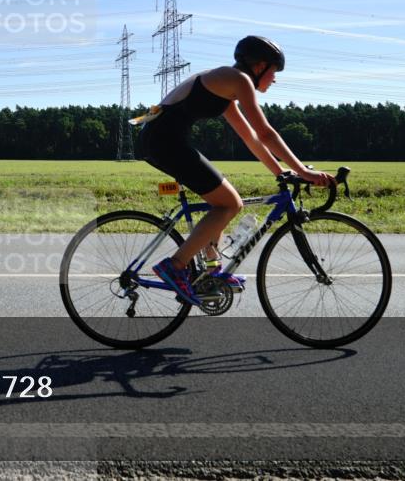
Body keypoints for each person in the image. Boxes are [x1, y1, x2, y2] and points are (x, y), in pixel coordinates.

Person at [136, 36, 334, 306]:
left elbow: (250, 137)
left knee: (223, 201)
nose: (274, 79)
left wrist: (281, 172)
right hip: (163, 142)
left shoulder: (227, 87)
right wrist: (303, 171)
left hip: (163, 140)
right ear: (260, 66)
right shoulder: (238, 80)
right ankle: (176, 265)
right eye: (273, 72)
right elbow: (266, 133)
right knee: (229, 204)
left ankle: (211, 271)